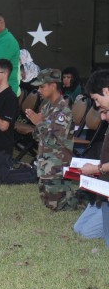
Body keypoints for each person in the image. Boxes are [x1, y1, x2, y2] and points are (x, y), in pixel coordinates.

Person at [26, 68, 78, 210]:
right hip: (45, 162)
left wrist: (39, 123)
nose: (39, 90)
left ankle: (88, 199)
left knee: (57, 205)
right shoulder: (47, 106)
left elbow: (55, 141)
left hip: (57, 163)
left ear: (53, 86)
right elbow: (38, 136)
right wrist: (38, 124)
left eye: (42, 86)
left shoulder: (63, 111)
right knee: (47, 201)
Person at [0, 59, 36, 184]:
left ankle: (33, 173)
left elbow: (4, 126)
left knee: (0, 179)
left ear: (5, 74)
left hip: (1, 147)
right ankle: (20, 168)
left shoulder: (10, 97)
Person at [76, 70, 109, 243]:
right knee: (79, 229)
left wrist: (96, 168)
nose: (96, 106)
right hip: (104, 190)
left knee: (92, 235)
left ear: (107, 91)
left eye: (97, 99)